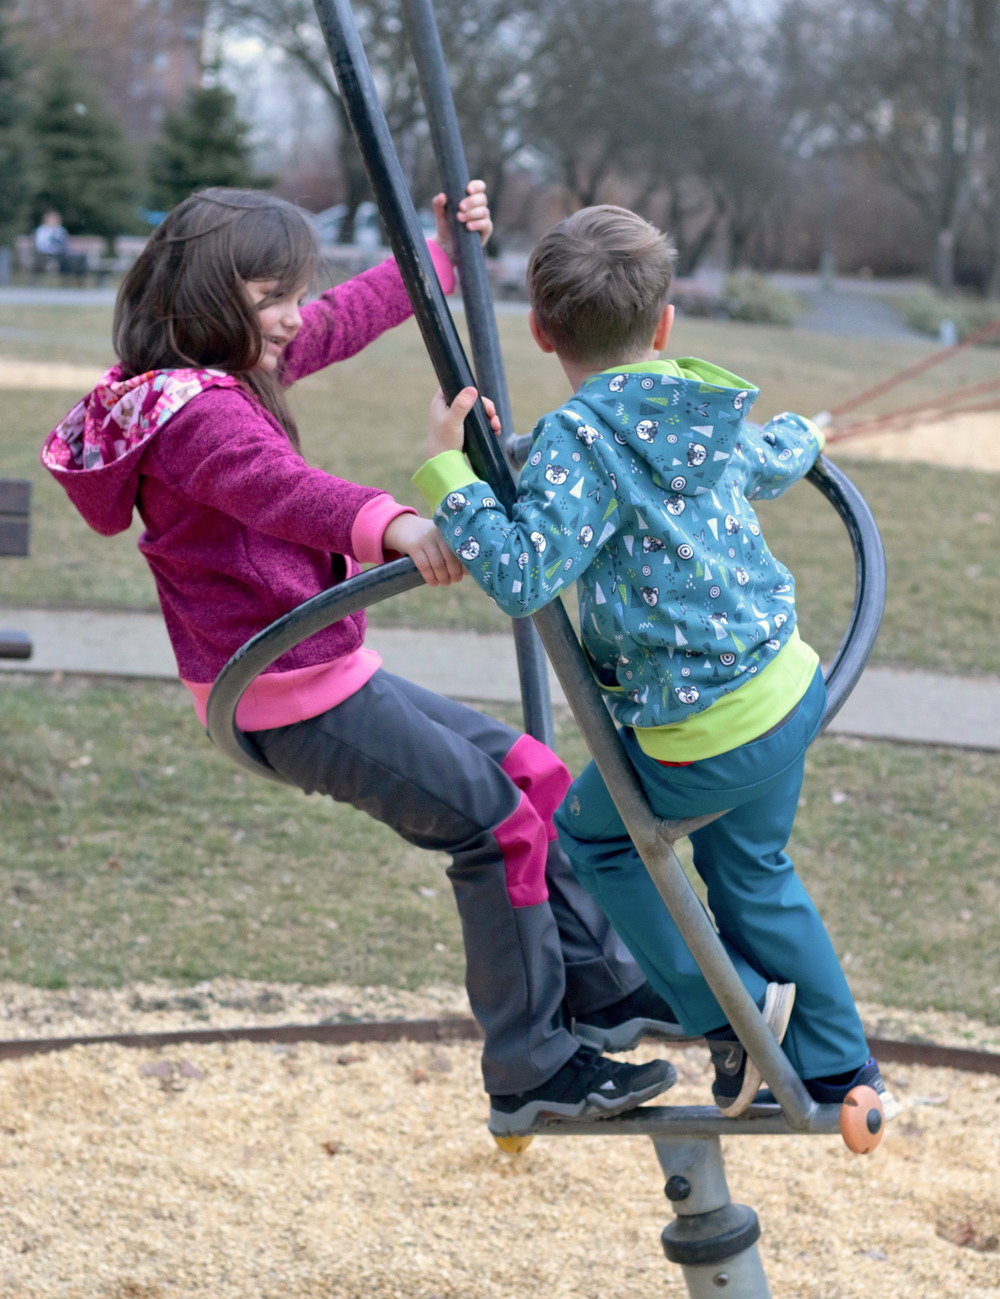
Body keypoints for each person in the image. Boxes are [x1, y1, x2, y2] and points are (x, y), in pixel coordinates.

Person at [40, 185, 679, 1138]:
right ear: (208, 297)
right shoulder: (193, 417)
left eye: (293, 293)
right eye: (272, 298)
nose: (296, 317)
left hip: (319, 669)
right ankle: (532, 1066)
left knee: (532, 776)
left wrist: (440, 257)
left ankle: (602, 994)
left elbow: (348, 317)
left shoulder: (220, 366)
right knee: (493, 825)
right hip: (281, 690)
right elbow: (280, 491)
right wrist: (395, 522)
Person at [418, 204, 898, 1120]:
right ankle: (844, 1075)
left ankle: (733, 1016)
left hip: (699, 734)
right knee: (754, 870)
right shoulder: (698, 402)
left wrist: (450, 478)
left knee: (592, 836)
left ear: (540, 331)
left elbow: (523, 574)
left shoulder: (579, 441)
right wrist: (805, 438)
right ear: (665, 322)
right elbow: (762, 462)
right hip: (789, 691)